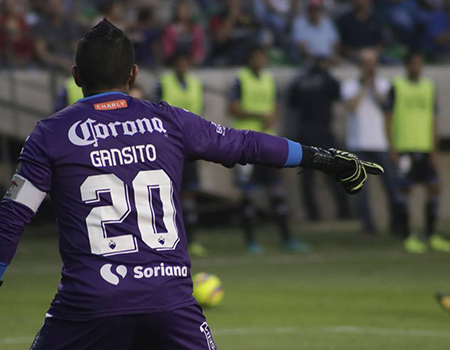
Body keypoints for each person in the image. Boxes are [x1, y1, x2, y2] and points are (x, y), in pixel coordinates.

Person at [0, 20, 382, 349]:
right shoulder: (170, 122)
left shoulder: (50, 134)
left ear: (76, 75)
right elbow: (248, 144)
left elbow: (12, 217)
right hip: (171, 302)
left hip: (89, 304)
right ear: (133, 76)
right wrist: (323, 158)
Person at [229, 45, 308, 253]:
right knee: (247, 194)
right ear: (250, 60)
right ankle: (250, 241)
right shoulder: (240, 79)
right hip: (244, 144)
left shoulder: (269, 79)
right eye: (256, 57)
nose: (260, 61)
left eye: (263, 57)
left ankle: (287, 238)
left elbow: (276, 105)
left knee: (276, 192)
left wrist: (273, 117)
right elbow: (232, 108)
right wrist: (258, 115)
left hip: (268, 143)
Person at [384, 52, 450, 253]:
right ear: (406, 66)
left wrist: (434, 149)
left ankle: (430, 234)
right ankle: (406, 235)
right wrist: (392, 147)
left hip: (425, 147)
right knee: (405, 189)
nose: (417, 68)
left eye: (420, 64)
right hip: (404, 148)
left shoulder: (429, 87)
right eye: (414, 64)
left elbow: (434, 119)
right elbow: (388, 117)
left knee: (434, 187)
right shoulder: (397, 86)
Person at [154, 52, 207, 257]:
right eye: (180, 61)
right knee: (169, 195)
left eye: (186, 61)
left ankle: (192, 240)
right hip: (168, 146)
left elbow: (199, 113)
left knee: (189, 194)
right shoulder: (163, 83)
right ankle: (168, 240)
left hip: (190, 146)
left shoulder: (195, 84)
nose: (183, 65)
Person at [287, 57, 352, 221]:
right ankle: (344, 211)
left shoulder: (298, 81)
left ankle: (312, 214)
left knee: (307, 177)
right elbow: (338, 93)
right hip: (324, 132)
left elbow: (292, 103)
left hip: (305, 133)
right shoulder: (327, 79)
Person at [341, 49, 398, 235]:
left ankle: (396, 224)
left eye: (372, 62)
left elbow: (386, 108)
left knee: (391, 186)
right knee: (361, 190)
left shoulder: (384, 85)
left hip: (380, 143)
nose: (369, 66)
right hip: (358, 144)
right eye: (365, 62)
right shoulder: (350, 85)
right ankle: (368, 226)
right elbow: (352, 106)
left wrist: (373, 87)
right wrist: (365, 86)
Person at [33, 0, 80, 71]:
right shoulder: (41, 25)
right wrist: (60, 62)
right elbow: (41, 53)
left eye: (57, 6)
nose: (55, 8)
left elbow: (76, 47)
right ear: (48, 7)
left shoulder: (70, 24)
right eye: (52, 5)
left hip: (68, 59)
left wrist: (73, 62)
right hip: (49, 63)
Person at [163, 0, 205, 66]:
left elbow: (198, 46)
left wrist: (196, 58)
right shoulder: (170, 29)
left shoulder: (196, 29)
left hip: (192, 61)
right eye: (181, 11)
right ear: (176, 12)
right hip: (174, 61)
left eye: (186, 11)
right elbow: (168, 48)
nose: (184, 13)